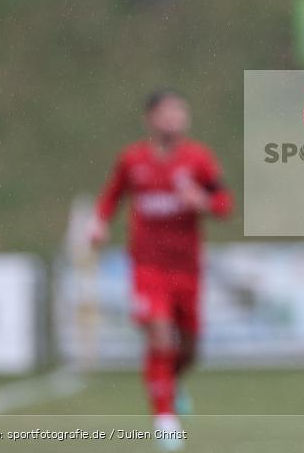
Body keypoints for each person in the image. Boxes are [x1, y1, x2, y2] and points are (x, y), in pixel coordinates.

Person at [90, 89, 232, 450]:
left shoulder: (198, 160)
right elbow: (111, 195)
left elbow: (224, 203)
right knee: (159, 334)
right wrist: (100, 223)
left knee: (190, 349)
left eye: (179, 113)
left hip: (187, 268)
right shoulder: (132, 160)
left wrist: (202, 201)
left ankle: (170, 382)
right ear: (150, 119)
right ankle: (164, 417)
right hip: (147, 266)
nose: (175, 119)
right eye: (167, 113)